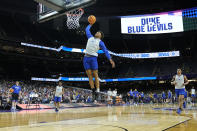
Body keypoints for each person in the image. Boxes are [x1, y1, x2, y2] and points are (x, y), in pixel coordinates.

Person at [83, 23, 115, 102]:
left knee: (95, 74)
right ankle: (93, 90)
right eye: (97, 32)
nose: (97, 33)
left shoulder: (101, 42)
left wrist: (110, 60)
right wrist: (90, 24)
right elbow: (87, 30)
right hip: (86, 58)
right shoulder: (90, 37)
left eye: (98, 33)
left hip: (93, 58)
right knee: (89, 76)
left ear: (100, 36)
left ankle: (97, 89)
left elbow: (106, 51)